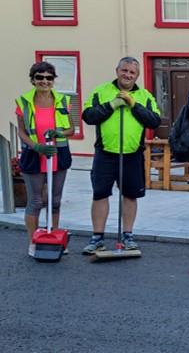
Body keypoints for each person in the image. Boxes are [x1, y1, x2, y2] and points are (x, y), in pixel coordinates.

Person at [81, 57, 161, 254]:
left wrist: (133, 105)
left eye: (132, 73)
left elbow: (154, 121)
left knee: (131, 195)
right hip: (105, 153)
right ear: (117, 70)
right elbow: (88, 116)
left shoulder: (145, 96)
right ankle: (97, 237)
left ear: (137, 76)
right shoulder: (101, 91)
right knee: (100, 194)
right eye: (124, 70)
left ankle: (128, 235)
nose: (127, 75)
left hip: (132, 154)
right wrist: (113, 104)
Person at [15, 62, 74, 257]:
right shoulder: (24, 102)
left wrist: (58, 133)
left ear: (53, 80)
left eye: (49, 78)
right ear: (33, 80)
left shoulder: (63, 101)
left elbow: (71, 130)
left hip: (58, 153)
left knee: (55, 200)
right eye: (40, 77)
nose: (44, 81)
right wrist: (36, 146)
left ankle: (54, 238)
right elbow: (21, 132)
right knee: (36, 201)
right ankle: (33, 242)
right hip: (34, 155)